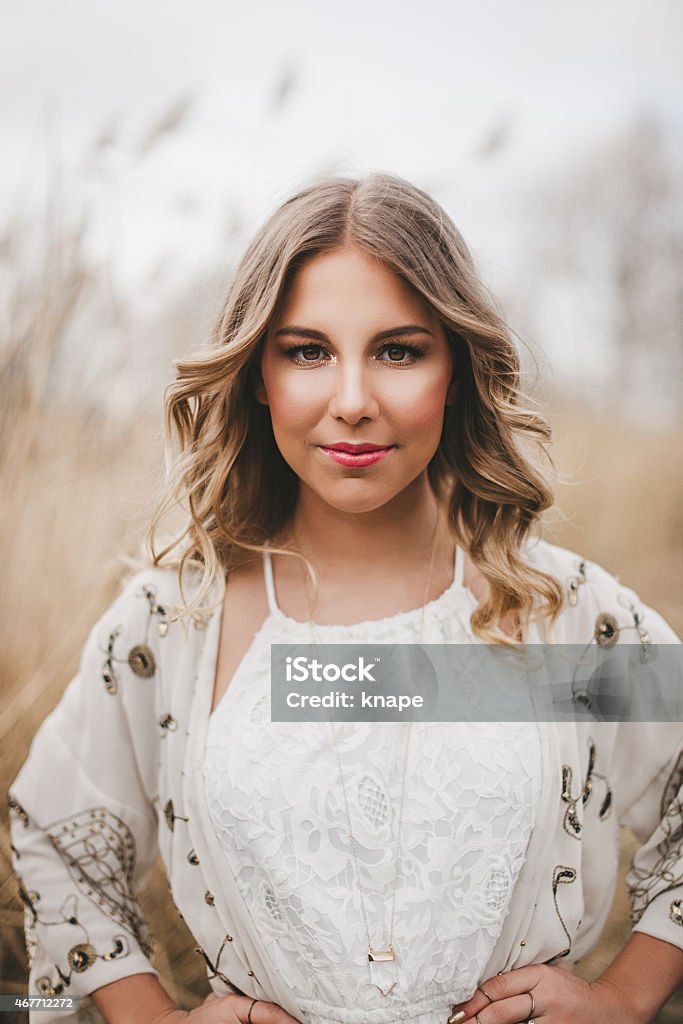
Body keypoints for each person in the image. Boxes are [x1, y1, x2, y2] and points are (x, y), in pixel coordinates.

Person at [8, 174, 683, 1024]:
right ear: (257, 372)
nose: (353, 402)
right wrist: (151, 1017)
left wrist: (627, 996)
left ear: (458, 368)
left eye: (399, 350)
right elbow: (57, 839)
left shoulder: (557, 615)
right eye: (306, 351)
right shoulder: (174, 627)